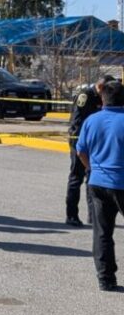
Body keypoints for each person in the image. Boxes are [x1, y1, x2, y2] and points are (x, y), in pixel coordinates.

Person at [75, 81, 124, 292]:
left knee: (102, 233)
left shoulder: (91, 120)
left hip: (97, 182)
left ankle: (105, 278)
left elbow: (80, 151)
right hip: (121, 182)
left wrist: (92, 168)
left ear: (103, 99)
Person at [66, 75, 115, 227]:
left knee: (92, 178)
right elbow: (77, 122)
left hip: (94, 143)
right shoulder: (85, 96)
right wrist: (80, 145)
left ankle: (93, 215)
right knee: (76, 178)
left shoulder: (103, 98)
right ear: (100, 87)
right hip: (79, 142)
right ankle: (71, 215)